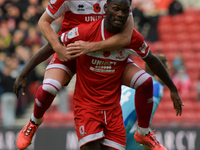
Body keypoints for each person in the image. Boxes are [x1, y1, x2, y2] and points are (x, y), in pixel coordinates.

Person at [14, 0, 183, 149]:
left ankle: (143, 132)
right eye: (115, 9)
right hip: (71, 48)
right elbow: (43, 22)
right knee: (49, 88)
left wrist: (90, 47)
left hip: (102, 51)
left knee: (145, 81)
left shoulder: (119, 3)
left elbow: (126, 38)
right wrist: (57, 51)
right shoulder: (79, 24)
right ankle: (34, 122)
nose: (120, 13)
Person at [121, 54, 169, 150]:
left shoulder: (135, 80)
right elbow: (144, 129)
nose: (168, 74)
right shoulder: (155, 86)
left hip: (105, 126)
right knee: (151, 143)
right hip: (116, 134)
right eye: (167, 69)